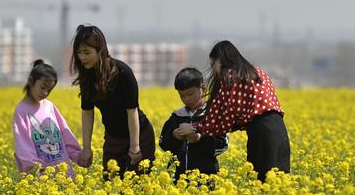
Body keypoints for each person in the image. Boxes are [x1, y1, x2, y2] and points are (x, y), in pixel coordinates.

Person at [174, 41, 290, 182]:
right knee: (279, 181)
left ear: (220, 60)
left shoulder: (230, 76)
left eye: (213, 64)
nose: (213, 68)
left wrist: (193, 127)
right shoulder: (256, 72)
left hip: (261, 134)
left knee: (262, 181)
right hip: (279, 130)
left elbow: (220, 120)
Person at [70, 24, 156, 178]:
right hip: (113, 138)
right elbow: (87, 112)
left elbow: (132, 111)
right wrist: (86, 148)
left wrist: (135, 147)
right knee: (110, 186)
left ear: (100, 51)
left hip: (139, 136)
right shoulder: (87, 78)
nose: (82, 58)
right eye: (79, 53)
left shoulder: (123, 73)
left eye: (87, 52)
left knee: (137, 187)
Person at [13, 59, 82, 178]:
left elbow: (65, 134)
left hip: (63, 173)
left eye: (49, 90)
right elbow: (23, 144)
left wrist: (78, 156)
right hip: (41, 177)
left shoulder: (49, 106)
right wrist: (34, 167)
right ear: (31, 81)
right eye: (43, 87)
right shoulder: (21, 111)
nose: (45, 93)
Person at [159, 67, 229, 183]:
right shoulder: (177, 116)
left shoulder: (212, 115)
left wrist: (199, 139)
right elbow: (163, 144)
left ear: (203, 89)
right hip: (179, 180)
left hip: (206, 179)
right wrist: (174, 136)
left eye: (190, 94)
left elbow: (222, 145)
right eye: (182, 95)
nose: (186, 99)